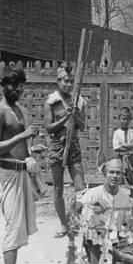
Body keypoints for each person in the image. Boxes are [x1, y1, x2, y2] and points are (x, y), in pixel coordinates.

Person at [0, 67, 39, 264]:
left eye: (20, 85)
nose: (17, 90)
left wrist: (32, 149)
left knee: (19, 226)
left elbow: (23, 145)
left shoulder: (20, 111)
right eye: (13, 86)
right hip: (8, 174)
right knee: (12, 226)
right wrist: (21, 136)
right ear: (3, 86)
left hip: (22, 173)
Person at [44, 65, 86, 238]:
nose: (69, 84)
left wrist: (75, 116)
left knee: (80, 188)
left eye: (71, 81)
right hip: (57, 147)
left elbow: (82, 126)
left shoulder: (79, 101)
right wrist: (65, 118)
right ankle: (63, 224)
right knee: (58, 188)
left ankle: (78, 220)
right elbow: (48, 128)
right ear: (58, 82)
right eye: (65, 81)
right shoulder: (51, 102)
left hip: (74, 146)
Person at [73, 158, 133, 264]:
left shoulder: (125, 196)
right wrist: (91, 205)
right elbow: (76, 208)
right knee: (98, 262)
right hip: (96, 238)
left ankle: (119, 254)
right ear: (105, 174)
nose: (114, 176)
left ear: (122, 175)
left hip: (117, 237)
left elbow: (127, 224)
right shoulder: (94, 193)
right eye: (111, 172)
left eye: (118, 173)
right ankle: (122, 257)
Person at [112, 107, 133, 205]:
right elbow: (117, 148)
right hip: (120, 159)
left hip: (130, 159)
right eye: (123, 119)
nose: (125, 121)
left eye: (127, 119)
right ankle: (120, 201)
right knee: (120, 180)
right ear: (119, 119)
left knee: (132, 179)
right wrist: (128, 147)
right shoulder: (116, 133)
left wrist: (124, 145)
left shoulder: (132, 132)